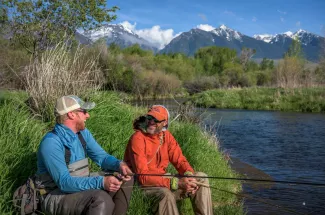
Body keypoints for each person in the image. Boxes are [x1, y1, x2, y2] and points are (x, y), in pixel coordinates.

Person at [35, 95, 133, 215]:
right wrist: (101, 182)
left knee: (124, 178)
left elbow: (102, 158)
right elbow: (64, 183)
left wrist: (119, 164)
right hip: (53, 194)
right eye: (84, 112)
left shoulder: (82, 133)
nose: (88, 115)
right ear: (72, 114)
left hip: (78, 182)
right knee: (100, 199)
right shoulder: (51, 143)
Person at [124, 105, 213, 215]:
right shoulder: (137, 138)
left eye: (156, 120)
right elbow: (143, 177)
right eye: (149, 118)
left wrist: (188, 175)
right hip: (142, 186)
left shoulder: (167, 136)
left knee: (201, 178)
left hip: (163, 180)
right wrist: (175, 183)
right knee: (165, 193)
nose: (151, 122)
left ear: (165, 123)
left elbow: (180, 160)